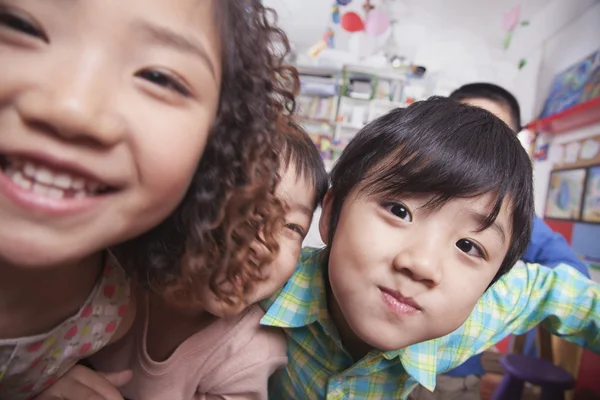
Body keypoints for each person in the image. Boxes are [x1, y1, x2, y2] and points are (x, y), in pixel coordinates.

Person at [0, 1, 296, 399]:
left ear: (214, 149)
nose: (73, 109)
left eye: (159, 78)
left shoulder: (108, 311)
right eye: (20, 26)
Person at [261, 97, 600, 400]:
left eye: (469, 246)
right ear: (332, 212)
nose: (422, 265)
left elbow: (553, 292)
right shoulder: (271, 275)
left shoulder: (479, 314)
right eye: (399, 211)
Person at [79, 121, 329, 400]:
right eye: (251, 207)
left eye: (293, 227)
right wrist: (46, 376)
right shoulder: (114, 272)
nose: (263, 244)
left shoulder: (249, 351)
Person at [409, 83, 592, 400]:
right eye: (464, 130)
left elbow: (573, 275)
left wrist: (491, 298)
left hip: (449, 377)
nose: (480, 149)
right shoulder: (409, 190)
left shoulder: (513, 221)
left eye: (498, 136)